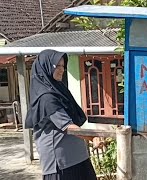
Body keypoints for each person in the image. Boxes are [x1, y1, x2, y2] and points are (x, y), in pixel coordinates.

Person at [25, 49, 97, 180]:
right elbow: (68, 126)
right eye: (57, 66)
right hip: (61, 163)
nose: (61, 69)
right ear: (46, 67)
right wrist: (94, 137)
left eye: (63, 66)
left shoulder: (59, 91)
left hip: (78, 158)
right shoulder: (46, 98)